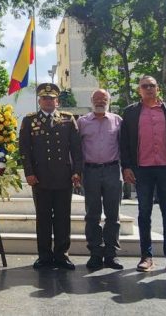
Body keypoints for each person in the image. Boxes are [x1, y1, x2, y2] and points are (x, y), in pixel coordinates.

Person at [119, 75, 166, 275]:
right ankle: (146, 257)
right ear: (139, 90)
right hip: (142, 169)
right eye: (145, 86)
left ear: (158, 88)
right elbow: (124, 142)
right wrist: (126, 166)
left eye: (152, 85)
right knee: (144, 213)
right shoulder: (131, 112)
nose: (149, 89)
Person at [19, 83, 83, 270]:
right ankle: (44, 256)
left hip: (63, 177)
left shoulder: (68, 119)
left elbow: (76, 149)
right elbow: (24, 149)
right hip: (40, 178)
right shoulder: (29, 120)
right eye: (44, 98)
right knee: (43, 218)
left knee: (63, 217)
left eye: (51, 98)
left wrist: (77, 172)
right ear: (39, 101)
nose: (48, 101)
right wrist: (29, 172)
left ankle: (62, 255)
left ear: (57, 101)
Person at [76, 89, 122, 270]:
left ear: (109, 101)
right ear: (91, 101)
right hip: (91, 172)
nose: (100, 101)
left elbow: (123, 146)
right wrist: (77, 172)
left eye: (104, 99)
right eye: (96, 98)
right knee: (92, 215)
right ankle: (95, 253)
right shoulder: (82, 122)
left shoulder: (118, 121)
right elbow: (76, 148)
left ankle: (111, 254)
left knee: (113, 215)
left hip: (112, 170)